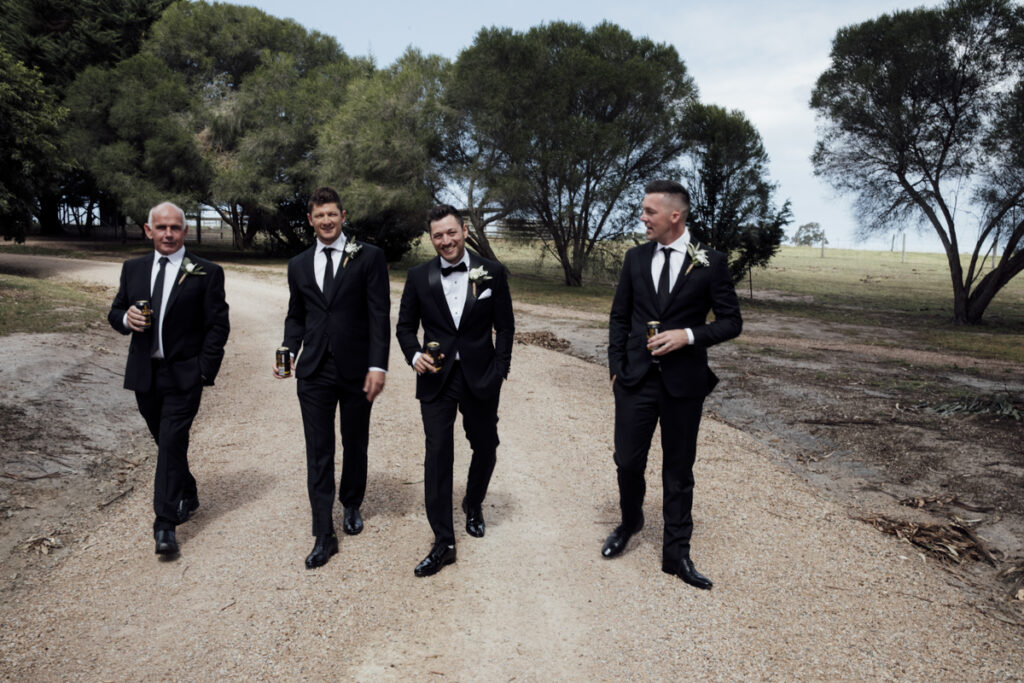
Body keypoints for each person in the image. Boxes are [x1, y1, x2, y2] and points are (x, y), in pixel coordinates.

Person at [604, 179, 742, 589]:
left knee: (679, 470)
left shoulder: (711, 263)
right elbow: (618, 316)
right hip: (635, 379)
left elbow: (732, 322)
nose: (642, 218)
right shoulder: (634, 259)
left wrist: (689, 335)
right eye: (643, 211)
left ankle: (676, 554)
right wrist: (615, 367)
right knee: (628, 461)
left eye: (649, 212)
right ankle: (630, 522)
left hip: (684, 383)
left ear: (674, 216)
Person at [274, 186, 390, 569]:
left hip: (358, 370)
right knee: (318, 452)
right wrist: (289, 348)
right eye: (319, 215)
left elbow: (378, 316)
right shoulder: (298, 265)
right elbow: (297, 315)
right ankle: (323, 532)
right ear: (310, 220)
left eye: (332, 214)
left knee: (355, 442)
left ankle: (351, 502)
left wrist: (378, 365)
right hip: (314, 372)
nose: (326, 221)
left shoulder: (369, 257)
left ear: (343, 216)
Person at [396, 205, 515, 577]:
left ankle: (474, 503)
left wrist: (500, 370)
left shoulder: (491, 272)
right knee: (438, 455)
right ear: (430, 238)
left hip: (481, 377)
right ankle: (443, 542)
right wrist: (414, 355)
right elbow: (403, 327)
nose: (445, 241)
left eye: (451, 233)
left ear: (464, 230)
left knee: (485, 445)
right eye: (437, 235)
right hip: (436, 378)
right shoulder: (418, 277)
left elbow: (506, 327)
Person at [108, 201, 230, 557]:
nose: (168, 234)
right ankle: (188, 491)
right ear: (148, 231)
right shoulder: (133, 269)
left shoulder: (206, 272)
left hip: (184, 375)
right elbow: (116, 310)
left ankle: (164, 524)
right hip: (145, 374)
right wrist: (125, 319)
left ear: (185, 232)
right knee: (166, 443)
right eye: (161, 227)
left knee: (172, 439)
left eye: (175, 228)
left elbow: (217, 325)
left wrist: (204, 370)